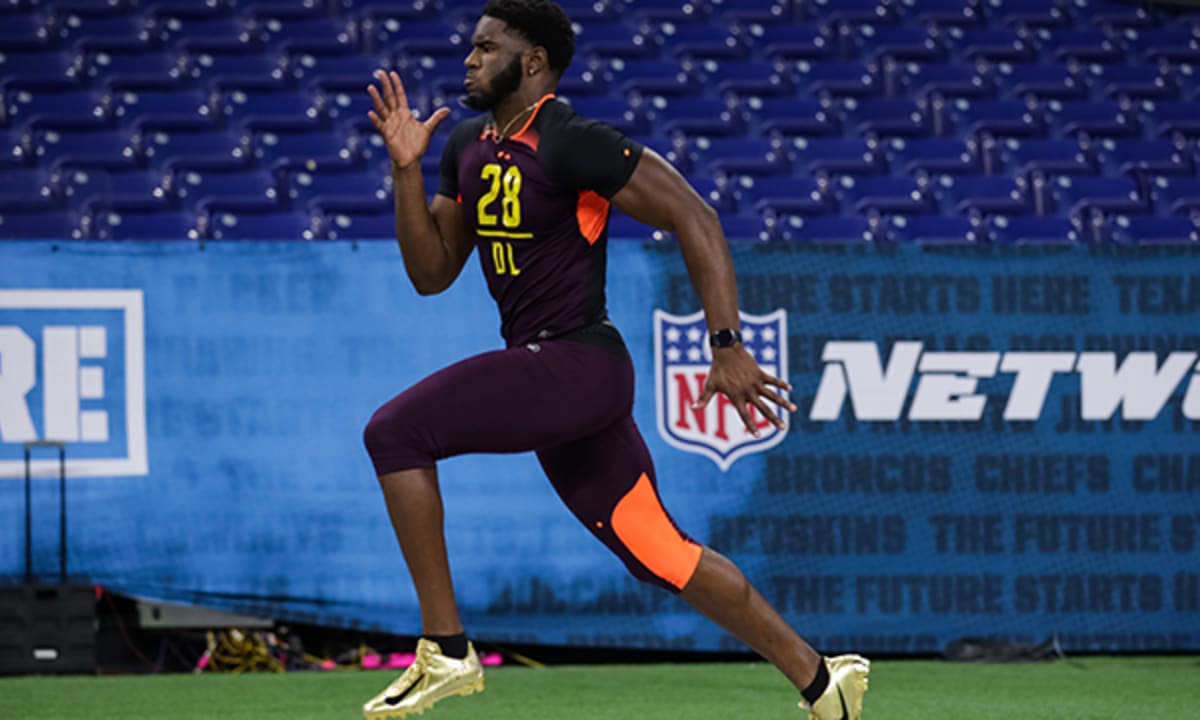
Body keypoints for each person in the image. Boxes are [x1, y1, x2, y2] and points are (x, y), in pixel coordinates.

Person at [360, 1, 869, 718]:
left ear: (531, 61)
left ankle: (445, 649)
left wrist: (725, 345)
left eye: (485, 47)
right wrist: (405, 173)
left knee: (395, 432)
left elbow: (697, 216)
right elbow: (431, 271)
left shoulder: (572, 140)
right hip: (555, 380)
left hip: (577, 365)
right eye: (470, 47)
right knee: (659, 552)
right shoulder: (465, 143)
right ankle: (822, 681)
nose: (469, 59)